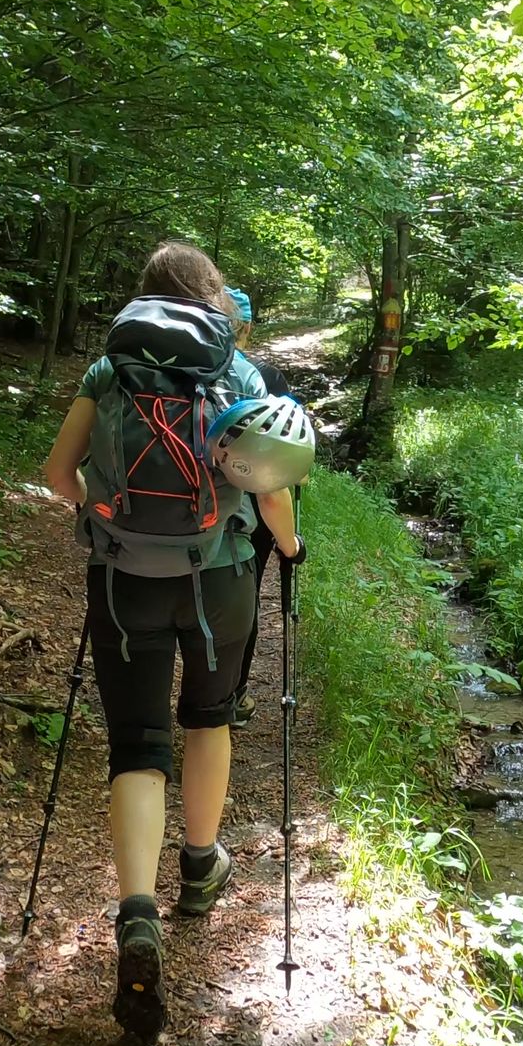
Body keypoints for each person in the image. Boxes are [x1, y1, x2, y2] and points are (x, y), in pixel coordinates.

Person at [41, 242, 302, 1043]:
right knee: (208, 718)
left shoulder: (109, 370)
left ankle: (137, 918)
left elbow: (57, 474)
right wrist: (289, 551)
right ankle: (199, 865)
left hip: (122, 582)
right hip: (217, 579)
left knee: (135, 745)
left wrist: (102, 512)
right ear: (210, 296)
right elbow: (272, 495)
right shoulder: (238, 374)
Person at [223, 286, 295, 725]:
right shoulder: (267, 378)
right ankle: (232, 693)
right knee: (242, 598)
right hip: (255, 507)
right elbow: (295, 464)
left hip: (202, 503)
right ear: (247, 327)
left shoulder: (187, 372)